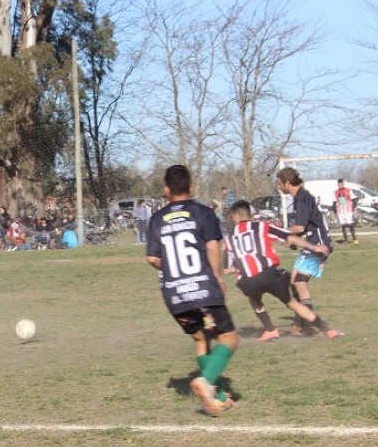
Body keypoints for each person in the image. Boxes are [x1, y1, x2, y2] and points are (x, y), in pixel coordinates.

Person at [146, 165, 238, 417]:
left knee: (200, 339)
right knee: (228, 338)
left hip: (175, 295)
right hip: (203, 290)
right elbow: (212, 248)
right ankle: (206, 381)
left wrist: (176, 271)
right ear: (191, 187)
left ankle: (217, 397)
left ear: (166, 190)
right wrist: (218, 277)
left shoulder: (156, 219)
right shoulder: (203, 213)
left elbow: (152, 259)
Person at [224, 200, 340, 341]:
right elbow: (290, 238)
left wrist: (231, 270)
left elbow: (227, 268)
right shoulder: (262, 227)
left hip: (248, 282)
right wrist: (314, 247)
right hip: (270, 276)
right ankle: (327, 330)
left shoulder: (229, 238)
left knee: (254, 298)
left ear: (235, 216)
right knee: (291, 303)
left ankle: (271, 330)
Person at [276, 167, 333, 337]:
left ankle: (308, 324)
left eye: (280, 183)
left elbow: (299, 226)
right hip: (311, 243)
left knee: (300, 282)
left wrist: (283, 232)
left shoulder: (301, 199)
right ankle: (302, 322)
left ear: (287, 183)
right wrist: (296, 239)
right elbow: (305, 226)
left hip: (318, 244)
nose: (278, 187)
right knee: (294, 282)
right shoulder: (301, 197)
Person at [333, 179, 358, 245]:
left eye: (341, 185)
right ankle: (346, 240)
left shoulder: (348, 190)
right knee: (343, 225)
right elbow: (334, 201)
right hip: (340, 211)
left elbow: (354, 199)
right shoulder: (336, 192)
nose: (340, 186)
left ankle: (354, 238)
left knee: (350, 224)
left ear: (343, 184)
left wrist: (355, 208)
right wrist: (334, 209)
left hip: (348, 210)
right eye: (339, 185)